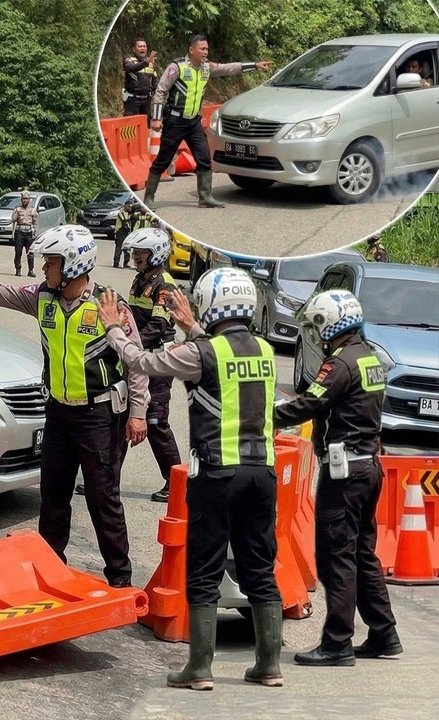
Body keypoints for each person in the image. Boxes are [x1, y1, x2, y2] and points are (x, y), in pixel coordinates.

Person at [0, 225, 149, 588]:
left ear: (72, 265)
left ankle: (120, 578)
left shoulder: (109, 305)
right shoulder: (42, 297)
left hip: (98, 417)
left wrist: (137, 413)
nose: (44, 269)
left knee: (104, 500)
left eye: (50, 262)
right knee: (53, 497)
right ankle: (50, 570)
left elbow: (135, 362)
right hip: (58, 415)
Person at [96, 267, 282, 690]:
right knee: (259, 567)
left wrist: (113, 329)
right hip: (262, 473)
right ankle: (269, 665)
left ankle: (199, 669)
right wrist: (191, 326)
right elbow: (221, 355)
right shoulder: (265, 351)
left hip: (217, 473)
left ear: (212, 306)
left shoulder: (200, 355)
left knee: (203, 569)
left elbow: (142, 361)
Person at [273, 290, 401, 667]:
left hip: (344, 473)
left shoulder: (340, 364)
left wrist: (263, 414)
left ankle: (337, 643)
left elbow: (308, 404)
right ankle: (383, 633)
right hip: (367, 467)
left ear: (333, 324)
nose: (315, 333)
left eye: (317, 325)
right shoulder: (370, 358)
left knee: (336, 558)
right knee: (362, 553)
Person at [145, 35, 272, 210]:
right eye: (202, 49)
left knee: (204, 158)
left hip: (194, 122)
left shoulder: (206, 67)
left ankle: (205, 197)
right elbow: (160, 91)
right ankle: (149, 198)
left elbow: (227, 69)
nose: (206, 52)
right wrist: (157, 118)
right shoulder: (177, 67)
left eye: (207, 49)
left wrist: (254, 65)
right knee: (163, 160)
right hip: (175, 121)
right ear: (191, 50)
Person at [122, 228, 183, 503]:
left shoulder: (165, 285)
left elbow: (158, 326)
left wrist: (128, 343)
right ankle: (105, 477)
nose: (136, 257)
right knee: (120, 416)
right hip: (138, 356)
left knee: (156, 422)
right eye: (135, 253)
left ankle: (176, 482)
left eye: (141, 253)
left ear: (156, 254)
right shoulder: (139, 280)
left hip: (157, 360)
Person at [123, 39, 159, 120]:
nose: (142, 48)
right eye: (140, 46)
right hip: (132, 100)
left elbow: (154, 80)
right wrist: (145, 63)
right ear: (134, 49)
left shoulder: (151, 63)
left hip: (146, 101)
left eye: (144, 46)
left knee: (146, 127)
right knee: (132, 127)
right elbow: (130, 68)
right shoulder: (129, 60)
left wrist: (156, 93)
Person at [10, 191, 38, 277]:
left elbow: (36, 223)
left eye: (26, 199)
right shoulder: (18, 209)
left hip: (29, 232)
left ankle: (31, 270)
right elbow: (13, 220)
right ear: (21, 200)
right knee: (18, 252)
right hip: (19, 232)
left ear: (29, 200)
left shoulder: (33, 210)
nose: (25, 200)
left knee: (30, 252)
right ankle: (18, 269)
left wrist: (36, 234)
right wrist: (12, 233)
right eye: (23, 199)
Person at [112, 199, 138, 268]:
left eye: (131, 207)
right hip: (120, 231)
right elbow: (125, 223)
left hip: (127, 232)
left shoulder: (130, 213)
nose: (130, 208)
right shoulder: (122, 212)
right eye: (128, 206)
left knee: (127, 249)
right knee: (119, 248)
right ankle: (116, 263)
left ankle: (126, 263)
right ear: (125, 206)